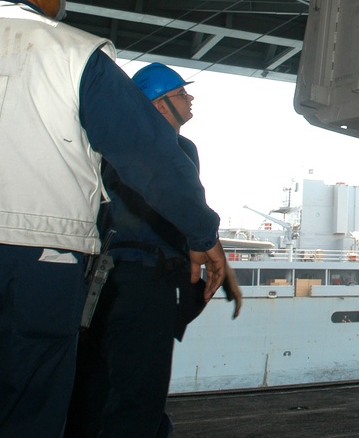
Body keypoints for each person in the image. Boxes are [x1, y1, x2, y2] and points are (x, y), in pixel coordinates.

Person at [0, 0, 227, 437]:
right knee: (29, 406)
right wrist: (203, 234)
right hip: (38, 261)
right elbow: (151, 160)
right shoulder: (77, 55)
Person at [68, 63, 242, 438]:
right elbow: (182, 210)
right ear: (160, 106)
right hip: (147, 284)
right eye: (181, 93)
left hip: (101, 285)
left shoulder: (108, 152)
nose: (190, 97)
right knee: (139, 399)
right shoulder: (177, 149)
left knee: (94, 391)